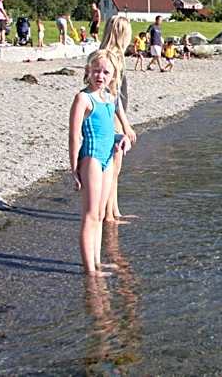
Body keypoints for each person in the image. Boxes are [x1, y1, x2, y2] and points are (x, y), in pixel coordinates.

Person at [68, 49, 131, 275]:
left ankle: (97, 261)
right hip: (91, 158)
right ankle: (90, 270)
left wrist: (121, 138)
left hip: (107, 158)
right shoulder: (83, 98)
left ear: (113, 76)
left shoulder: (110, 98)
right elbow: (75, 136)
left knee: (101, 215)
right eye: (96, 71)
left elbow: (109, 131)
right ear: (88, 71)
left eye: (105, 72)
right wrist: (74, 167)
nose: (100, 76)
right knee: (90, 214)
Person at [100, 16, 138, 223]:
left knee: (113, 168)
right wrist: (125, 125)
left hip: (110, 115)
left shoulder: (104, 55)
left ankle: (114, 211)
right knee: (113, 168)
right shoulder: (114, 59)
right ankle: (108, 215)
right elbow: (113, 95)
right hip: (112, 117)